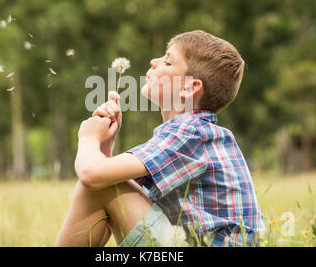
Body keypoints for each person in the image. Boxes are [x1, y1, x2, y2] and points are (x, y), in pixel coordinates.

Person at [55, 30, 265, 247]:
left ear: (189, 87)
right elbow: (110, 190)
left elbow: (91, 175)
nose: (153, 61)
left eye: (167, 61)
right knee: (105, 183)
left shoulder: (190, 132)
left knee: (101, 186)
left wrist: (88, 137)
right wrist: (105, 148)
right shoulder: (194, 133)